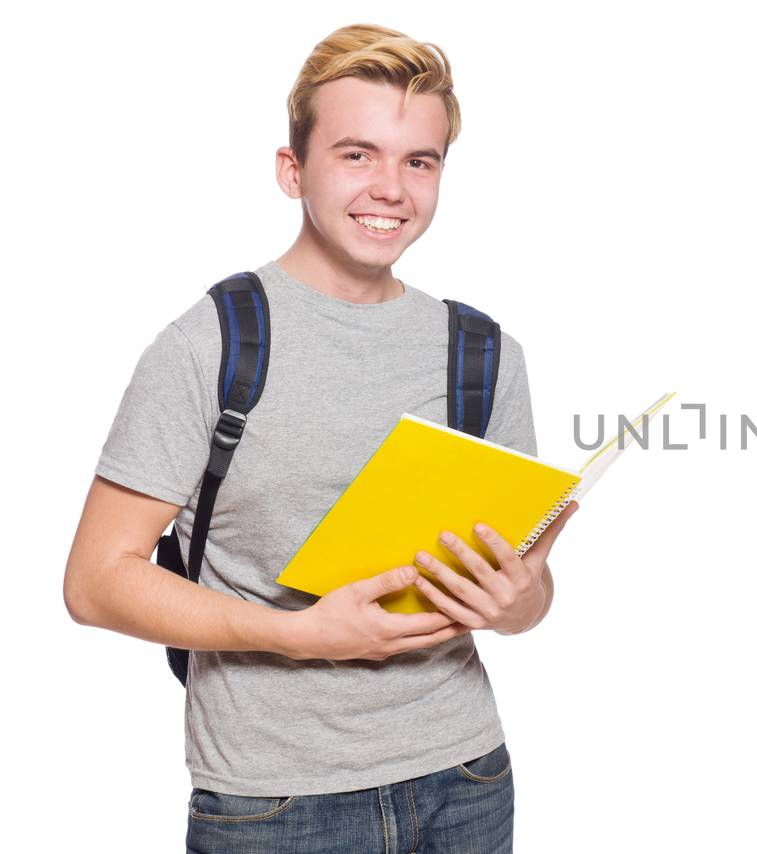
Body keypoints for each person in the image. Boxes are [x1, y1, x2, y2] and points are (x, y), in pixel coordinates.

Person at [62, 23, 568, 853]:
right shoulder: (213, 345)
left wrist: (521, 605)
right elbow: (94, 582)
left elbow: (528, 591)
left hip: (467, 775)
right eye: (357, 154)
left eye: (419, 161)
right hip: (274, 803)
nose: (391, 189)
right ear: (292, 170)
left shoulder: (483, 354)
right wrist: (298, 634)